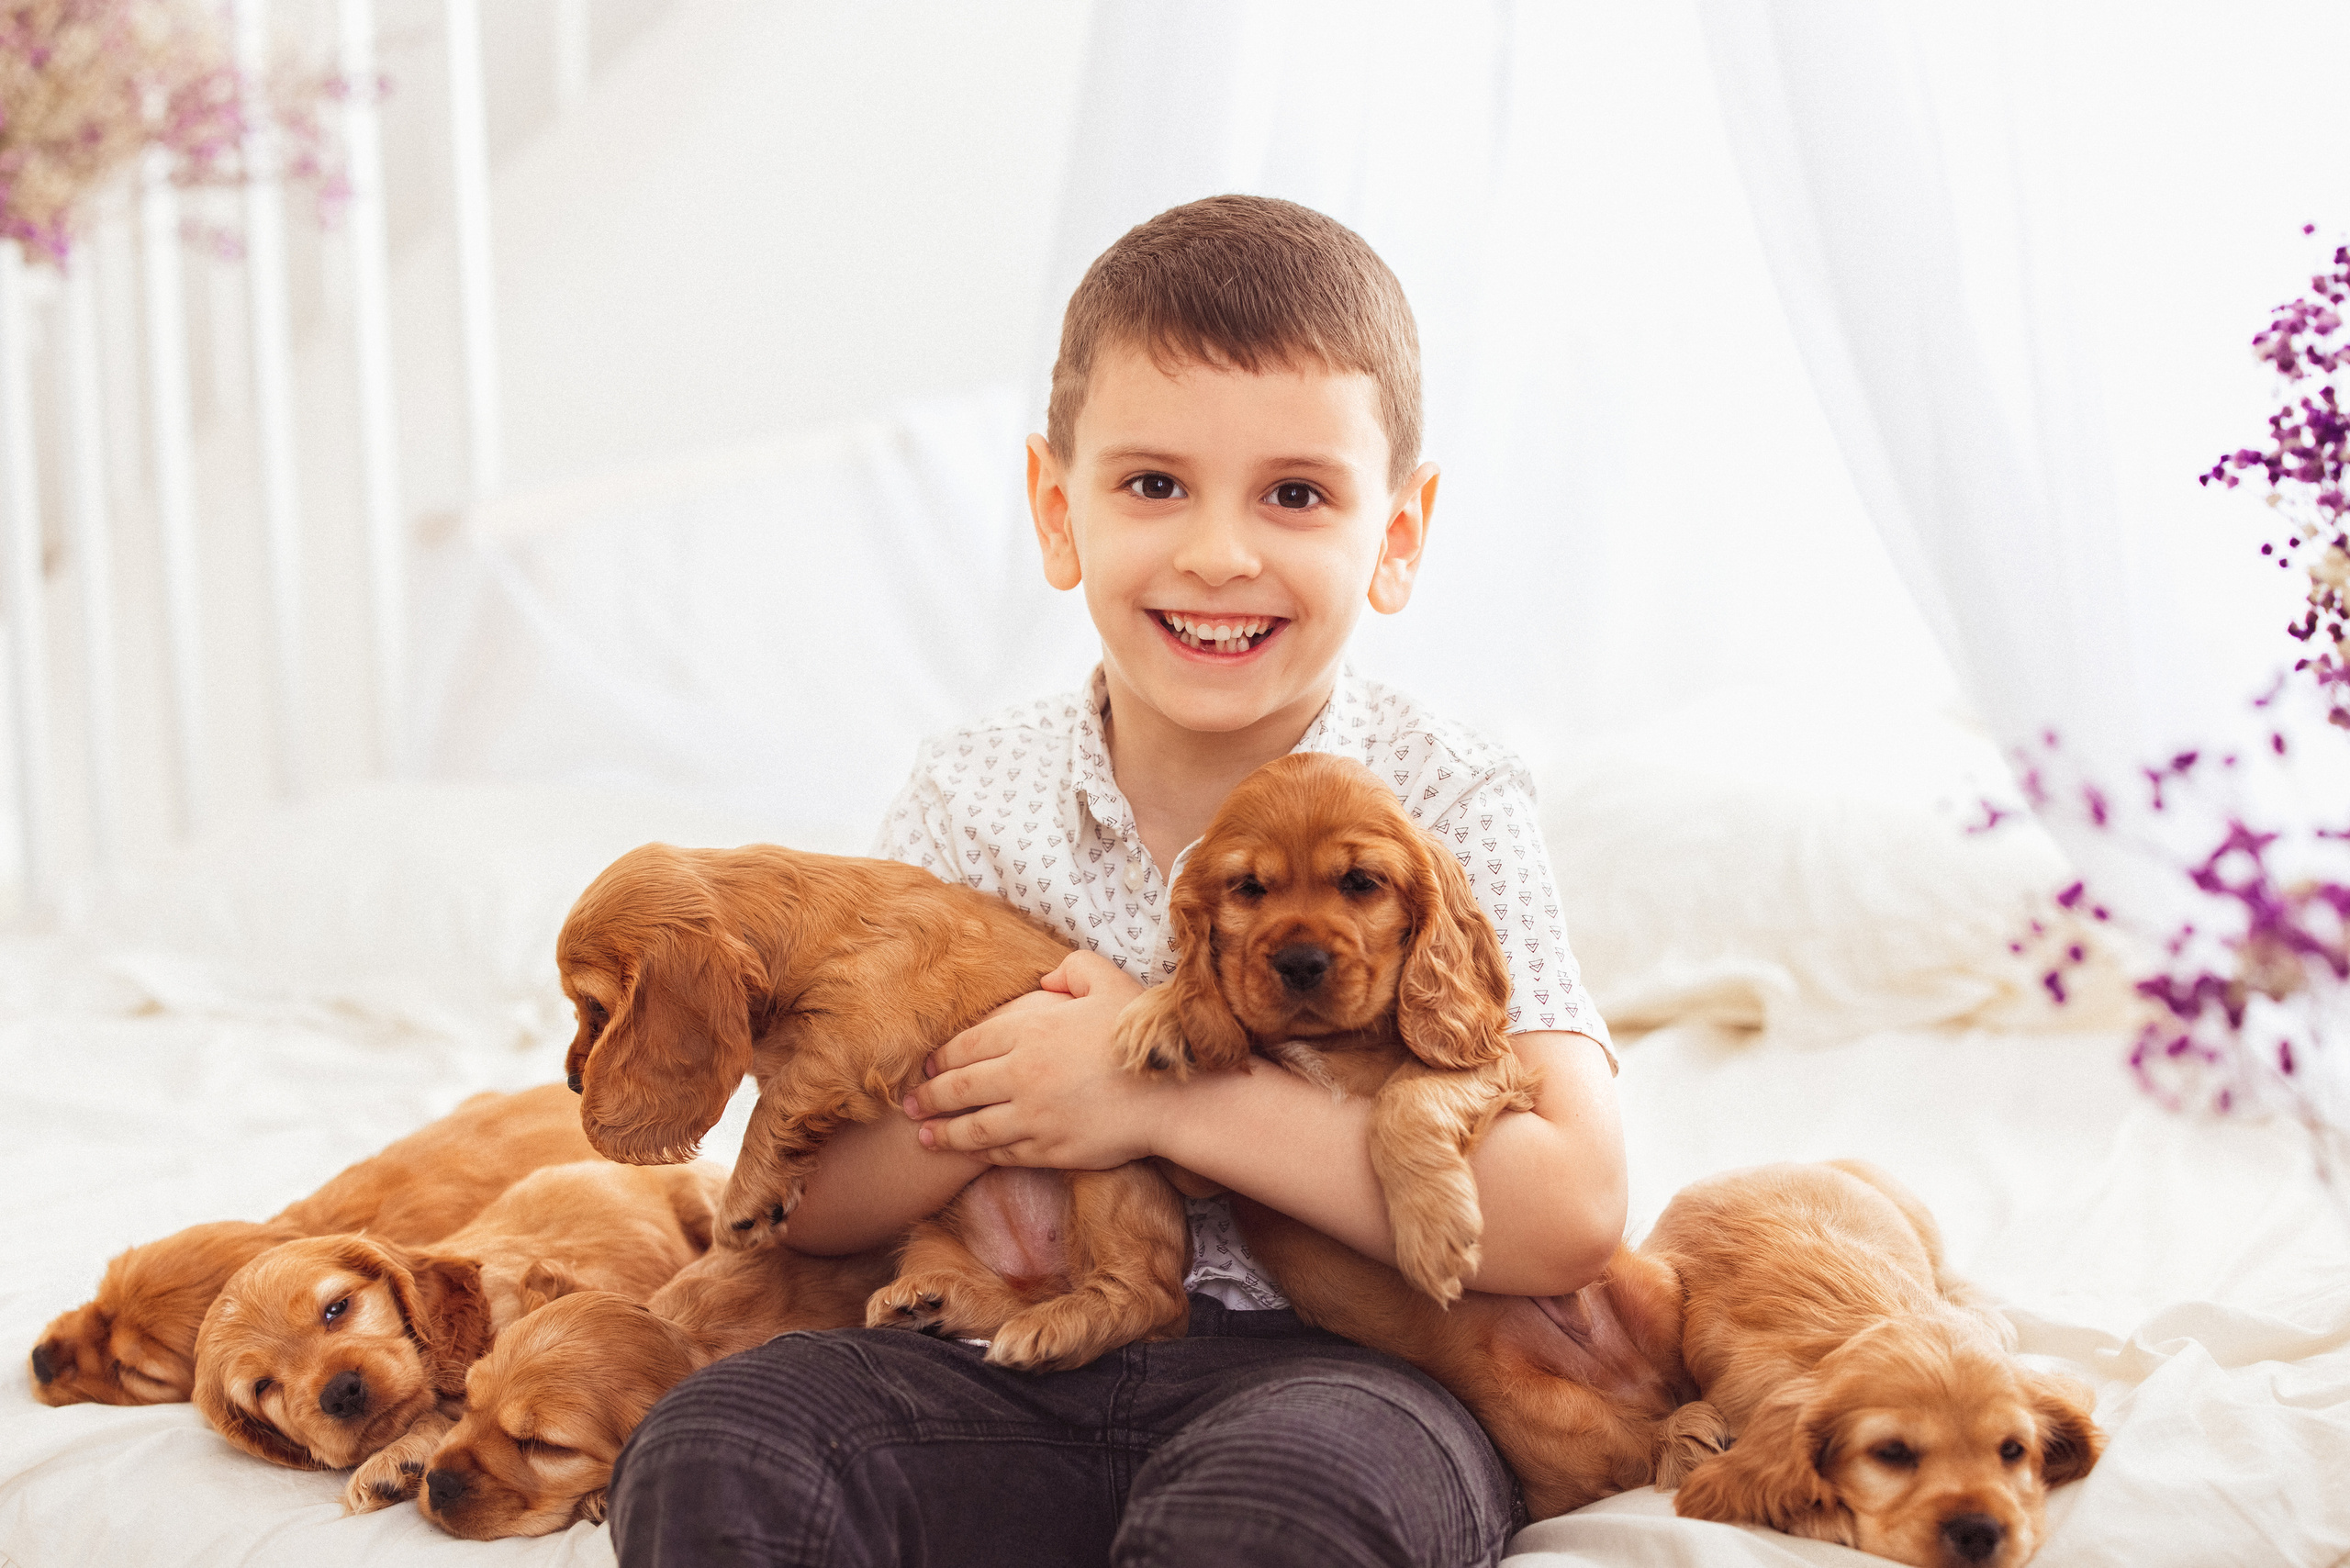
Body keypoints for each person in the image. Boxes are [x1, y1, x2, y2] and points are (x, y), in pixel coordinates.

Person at [607, 194, 1625, 1568]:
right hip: (991, 1354)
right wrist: (1028, 1099)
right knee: (720, 1451)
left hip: (1349, 1368)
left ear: (1396, 534)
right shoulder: (971, 798)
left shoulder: (1446, 795)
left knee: (1280, 1514)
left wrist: (1151, 1089)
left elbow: (1570, 1212)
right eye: (1154, 485)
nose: (1219, 551)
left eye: (1297, 493)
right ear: (1056, 507)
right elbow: (811, 1195)